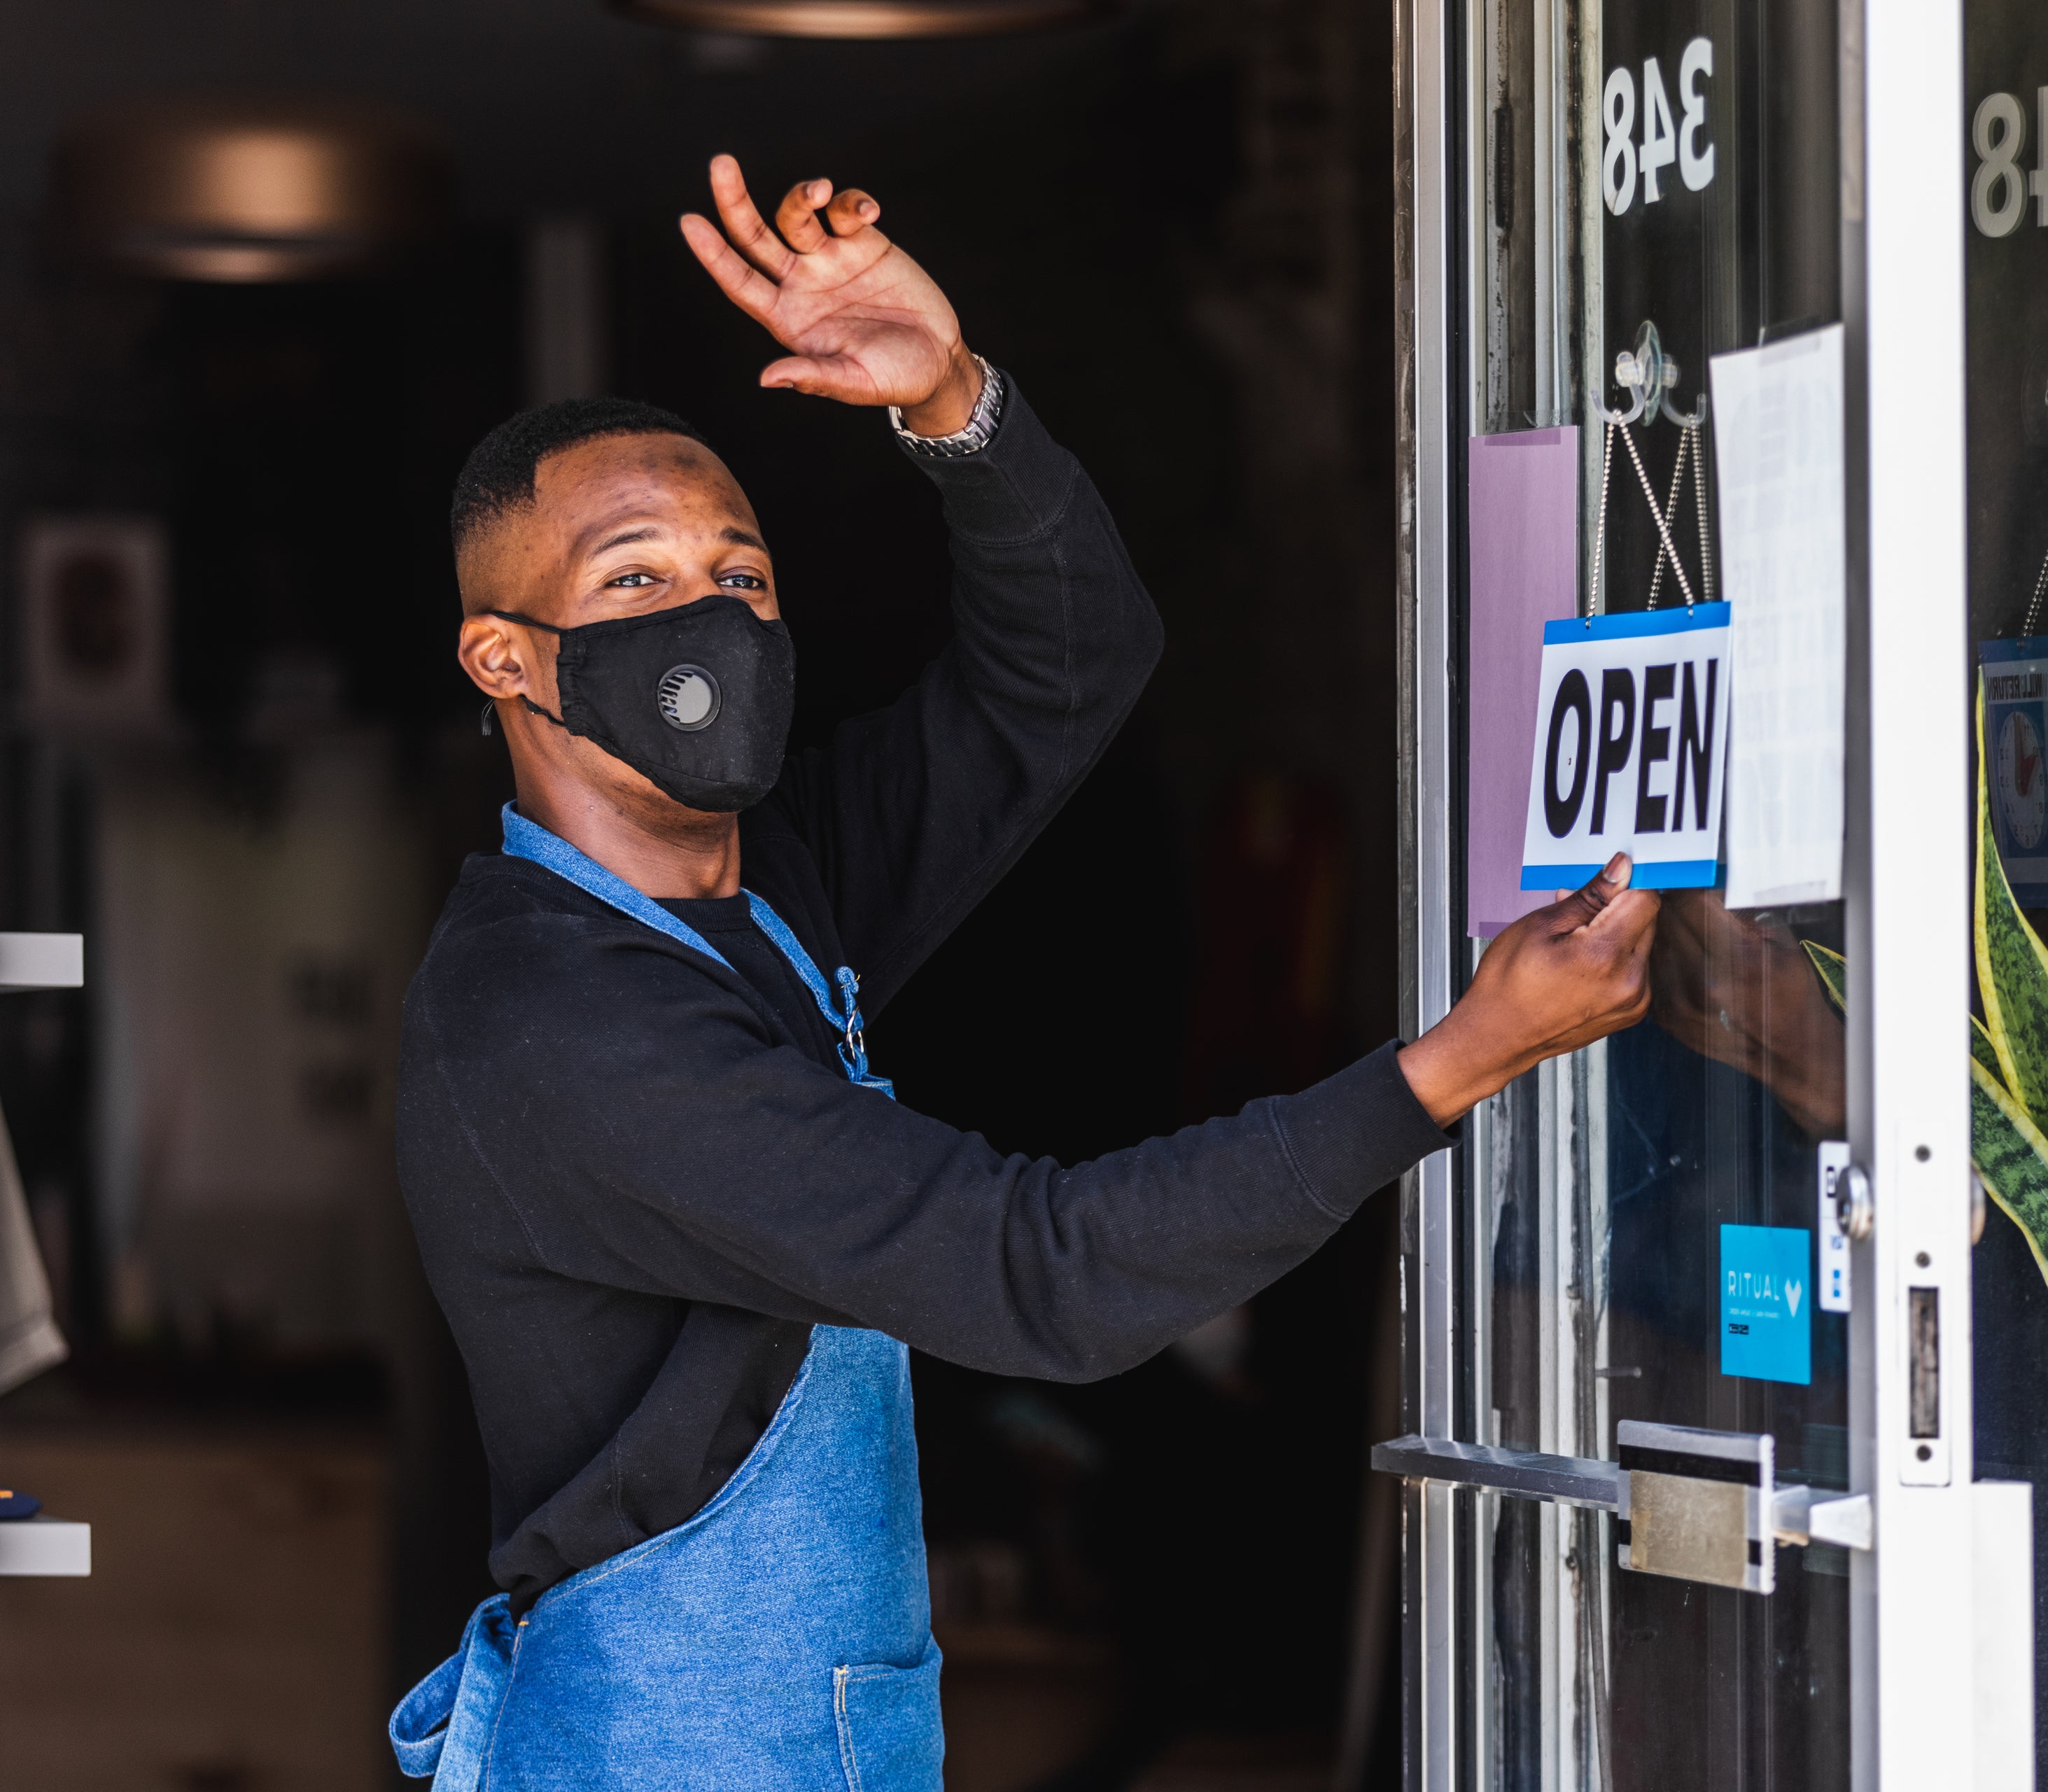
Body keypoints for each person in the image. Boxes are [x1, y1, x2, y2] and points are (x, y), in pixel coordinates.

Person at [385, 155, 1660, 1792]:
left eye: (740, 574)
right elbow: (1034, 1271)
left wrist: (955, 406)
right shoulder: (553, 1017)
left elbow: (1066, 673)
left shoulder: (773, 877)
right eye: (633, 578)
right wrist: (1455, 1062)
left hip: (828, 1727)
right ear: (506, 657)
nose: (707, 613)